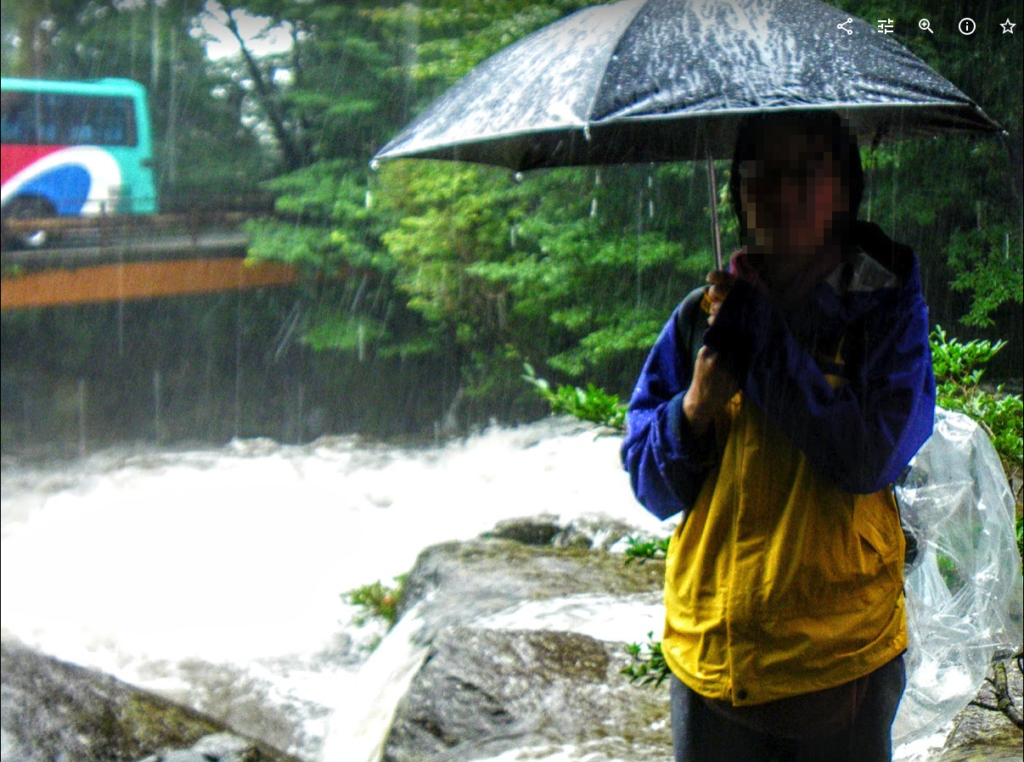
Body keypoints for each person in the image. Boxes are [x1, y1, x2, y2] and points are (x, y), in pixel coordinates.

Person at [620, 111, 936, 762]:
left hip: (838, 662)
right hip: (710, 659)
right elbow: (651, 486)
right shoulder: (700, 321)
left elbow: (867, 457)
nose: (779, 191)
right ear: (735, 192)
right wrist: (696, 406)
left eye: (804, 172)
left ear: (844, 190)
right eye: (758, 173)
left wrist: (764, 342)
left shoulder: (884, 310)